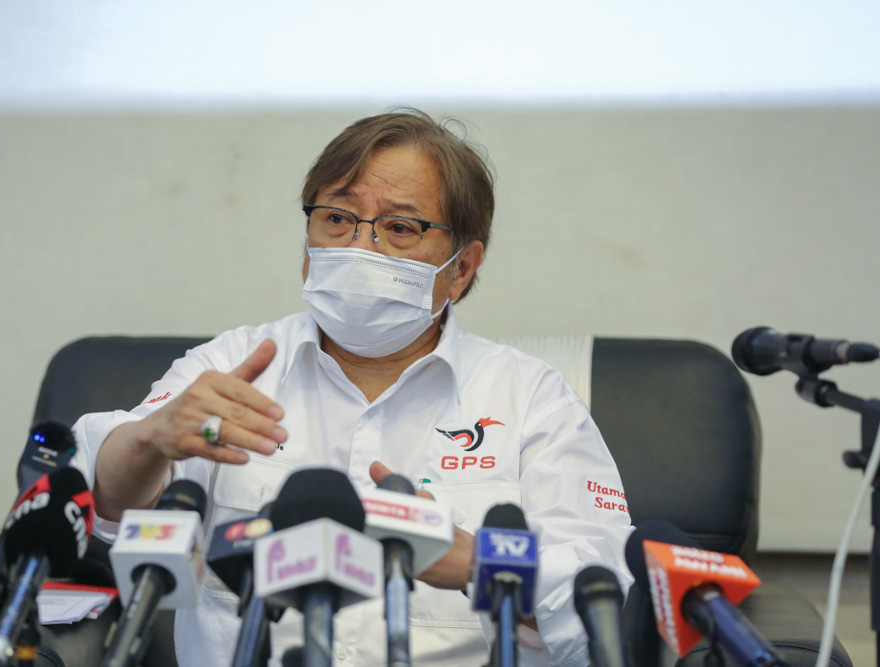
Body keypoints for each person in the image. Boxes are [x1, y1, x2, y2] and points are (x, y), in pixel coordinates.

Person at [73, 109, 632, 667]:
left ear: (462, 268)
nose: (360, 247)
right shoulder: (231, 365)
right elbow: (107, 507)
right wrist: (150, 439)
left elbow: (602, 590)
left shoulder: (531, 397)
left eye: (400, 227)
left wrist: (479, 564)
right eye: (338, 218)